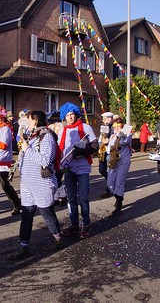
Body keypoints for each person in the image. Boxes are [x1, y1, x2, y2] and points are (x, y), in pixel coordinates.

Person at [7, 111, 62, 260]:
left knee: (46, 213)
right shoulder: (31, 137)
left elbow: (45, 160)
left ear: (36, 121)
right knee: (26, 216)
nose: (27, 123)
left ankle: (58, 239)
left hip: (42, 183)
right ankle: (23, 246)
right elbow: (27, 156)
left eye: (29, 120)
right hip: (28, 184)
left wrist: (27, 149)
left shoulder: (47, 136)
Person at [58, 102, 98, 239]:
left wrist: (81, 152)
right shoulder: (63, 130)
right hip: (68, 168)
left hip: (82, 168)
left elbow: (95, 146)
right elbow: (59, 149)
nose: (70, 117)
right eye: (67, 115)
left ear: (76, 114)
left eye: (72, 114)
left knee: (83, 198)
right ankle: (74, 224)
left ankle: (86, 225)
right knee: (71, 198)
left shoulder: (86, 127)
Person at [106, 118, 133, 215]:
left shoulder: (127, 134)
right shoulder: (113, 136)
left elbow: (124, 142)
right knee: (110, 183)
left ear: (122, 126)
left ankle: (119, 203)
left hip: (123, 161)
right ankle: (118, 197)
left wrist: (121, 135)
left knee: (119, 183)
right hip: (114, 161)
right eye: (115, 127)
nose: (117, 129)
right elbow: (108, 149)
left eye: (119, 127)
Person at [98, 111, 114, 199]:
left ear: (109, 119)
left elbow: (117, 139)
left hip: (110, 151)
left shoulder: (114, 127)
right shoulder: (104, 127)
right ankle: (111, 181)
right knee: (101, 169)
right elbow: (101, 138)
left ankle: (108, 189)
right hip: (103, 150)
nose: (103, 120)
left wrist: (109, 141)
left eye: (104, 118)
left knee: (109, 170)